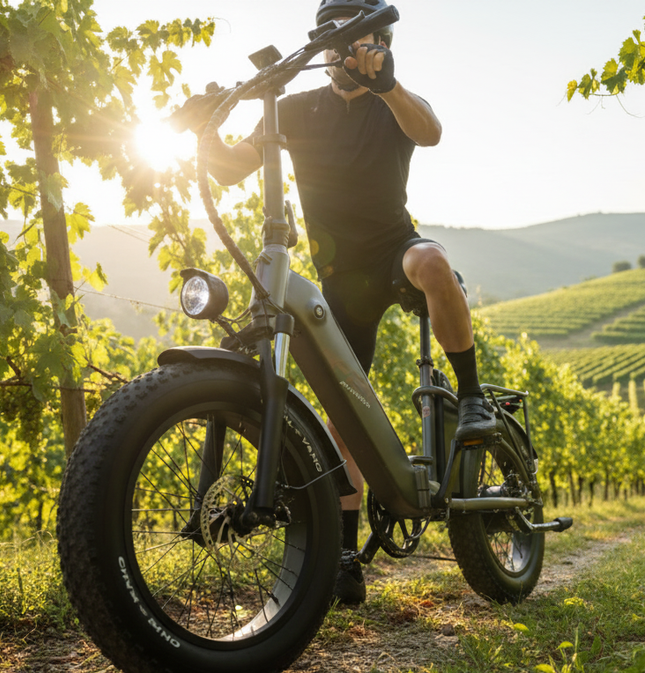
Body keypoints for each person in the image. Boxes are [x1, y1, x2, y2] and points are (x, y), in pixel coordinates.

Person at [182, 0, 495, 605]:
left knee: (432, 262)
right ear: (322, 49)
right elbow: (226, 172)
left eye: (360, 41)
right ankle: (346, 557)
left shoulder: (391, 101)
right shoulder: (297, 108)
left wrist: (390, 83)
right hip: (338, 273)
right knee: (343, 421)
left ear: (378, 45)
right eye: (335, 42)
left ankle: (474, 396)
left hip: (392, 250)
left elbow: (430, 130)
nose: (345, 52)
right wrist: (204, 131)